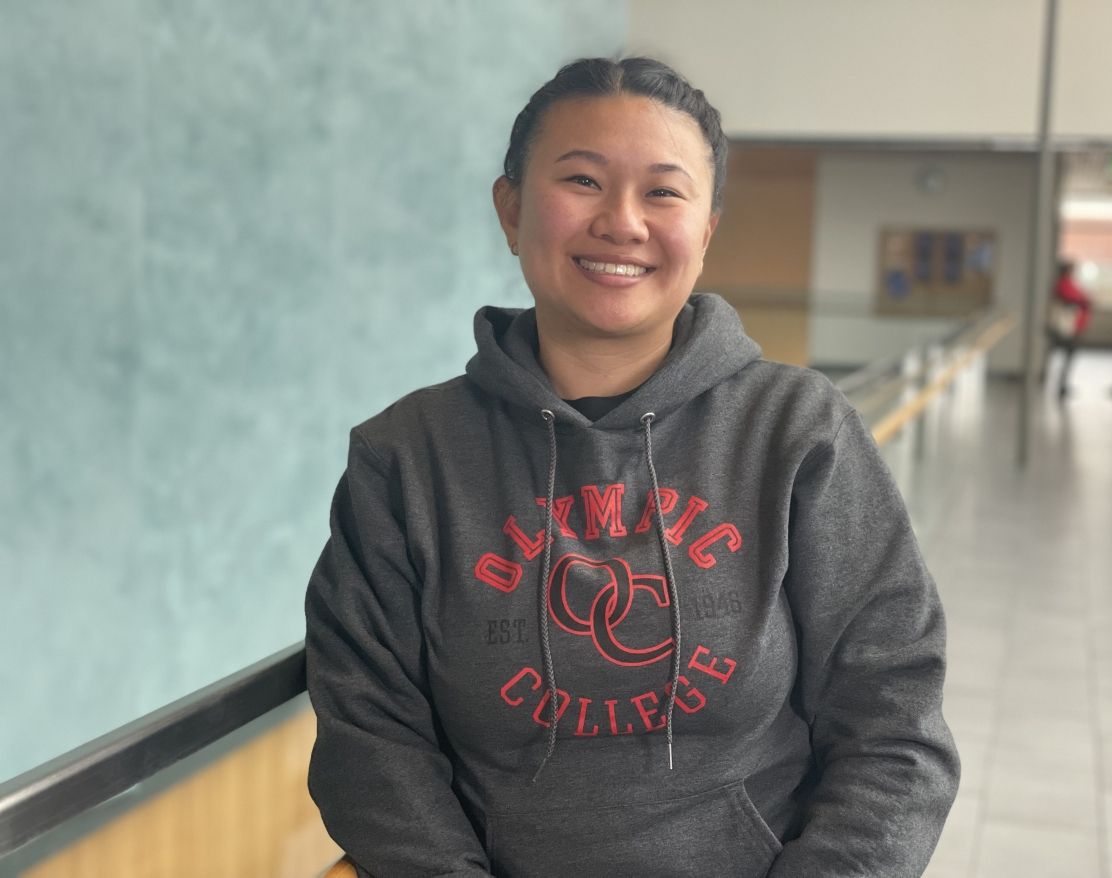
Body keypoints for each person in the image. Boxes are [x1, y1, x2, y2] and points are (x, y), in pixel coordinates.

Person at [305, 56, 959, 878]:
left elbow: (895, 722)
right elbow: (371, 745)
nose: (622, 221)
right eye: (581, 179)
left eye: (663, 191)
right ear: (510, 211)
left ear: (707, 229)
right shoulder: (405, 459)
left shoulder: (796, 431)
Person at [1043, 259, 1093, 399]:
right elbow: (1071, 300)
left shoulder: (1068, 283)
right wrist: (1083, 302)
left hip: (1073, 326)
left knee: (1067, 355)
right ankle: (1060, 384)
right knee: (1066, 353)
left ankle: (1062, 383)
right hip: (1066, 327)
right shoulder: (1063, 284)